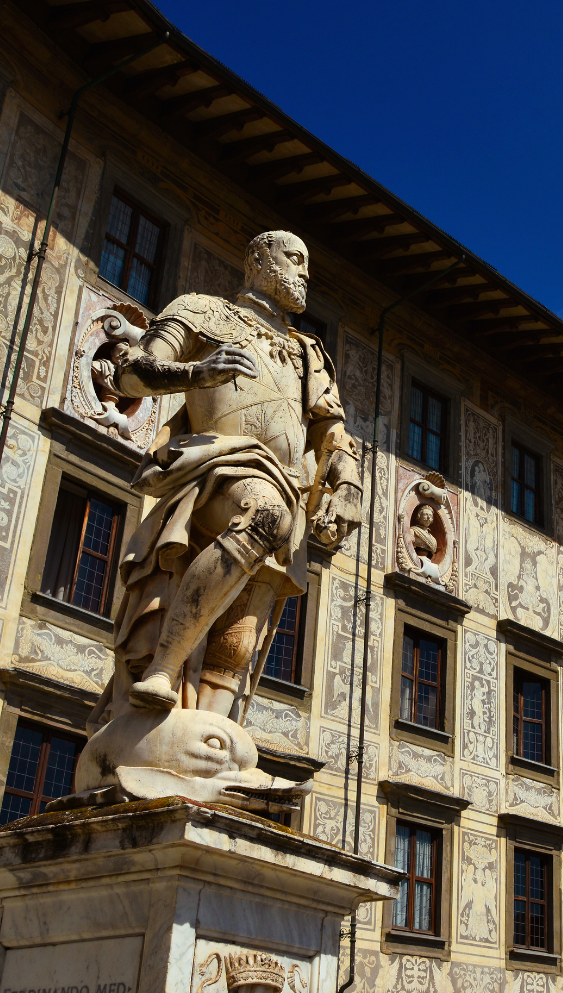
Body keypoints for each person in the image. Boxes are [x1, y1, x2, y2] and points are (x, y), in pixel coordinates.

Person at [87, 231, 362, 728]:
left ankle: (208, 740)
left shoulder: (308, 353)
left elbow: (332, 432)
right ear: (258, 259)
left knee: (237, 643)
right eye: (294, 260)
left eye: (307, 265)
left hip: (284, 482)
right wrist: (196, 373)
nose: (305, 274)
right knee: (266, 514)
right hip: (217, 464)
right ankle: (165, 667)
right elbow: (130, 373)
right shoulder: (201, 311)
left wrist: (347, 486)